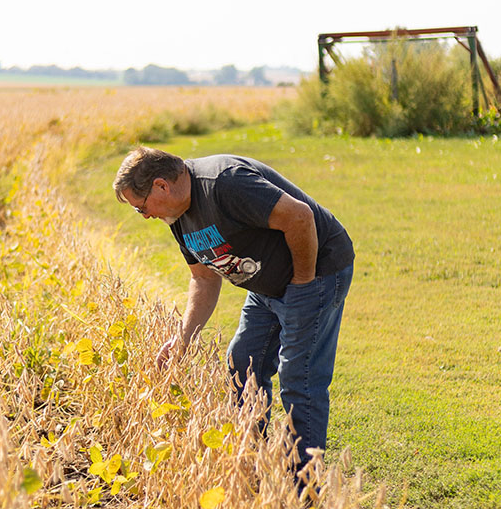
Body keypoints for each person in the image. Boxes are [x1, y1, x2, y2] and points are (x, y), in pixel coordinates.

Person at [113, 146, 354, 488]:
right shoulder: (177, 215)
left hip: (316, 270)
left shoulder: (225, 184)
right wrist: (183, 337)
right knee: (243, 362)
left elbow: (300, 217)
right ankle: (250, 466)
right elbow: (204, 278)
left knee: (300, 378)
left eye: (141, 207)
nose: (145, 216)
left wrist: (302, 283)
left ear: (161, 186)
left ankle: (304, 490)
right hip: (269, 283)